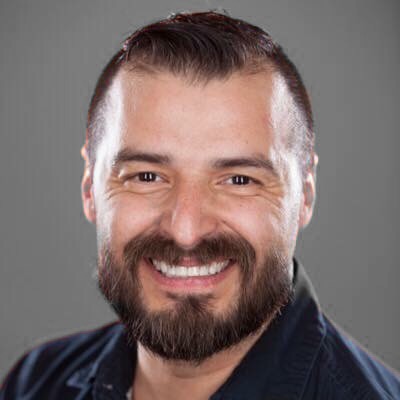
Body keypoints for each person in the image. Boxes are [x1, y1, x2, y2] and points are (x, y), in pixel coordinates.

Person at [1, 10, 399, 400]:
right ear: (90, 187)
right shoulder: (34, 384)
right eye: (147, 176)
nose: (186, 231)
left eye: (239, 180)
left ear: (305, 196)